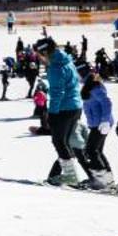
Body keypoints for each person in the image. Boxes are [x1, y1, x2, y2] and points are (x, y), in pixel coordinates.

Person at [39, 38, 86, 187]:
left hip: (64, 109)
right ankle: (62, 175)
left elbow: (57, 92)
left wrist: (52, 114)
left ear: (45, 51)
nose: (40, 58)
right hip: (75, 106)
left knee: (59, 141)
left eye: (40, 54)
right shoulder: (66, 60)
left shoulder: (55, 68)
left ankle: (71, 176)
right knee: (65, 142)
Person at [82, 73, 116, 187]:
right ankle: (108, 179)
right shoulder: (91, 90)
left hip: (101, 124)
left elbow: (107, 103)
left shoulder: (96, 89)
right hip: (96, 124)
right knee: (97, 151)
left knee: (91, 150)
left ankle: (102, 179)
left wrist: (105, 121)